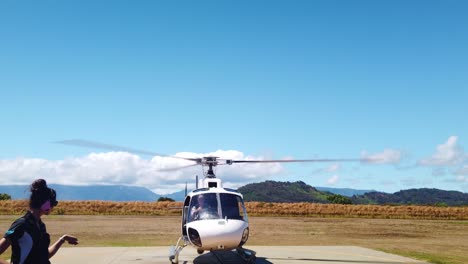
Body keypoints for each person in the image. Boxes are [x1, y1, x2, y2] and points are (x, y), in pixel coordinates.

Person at [0, 179, 78, 264]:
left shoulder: (41, 225)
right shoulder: (21, 224)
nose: (53, 207)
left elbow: (43, 256)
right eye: (53, 203)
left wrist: (62, 239)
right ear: (46, 203)